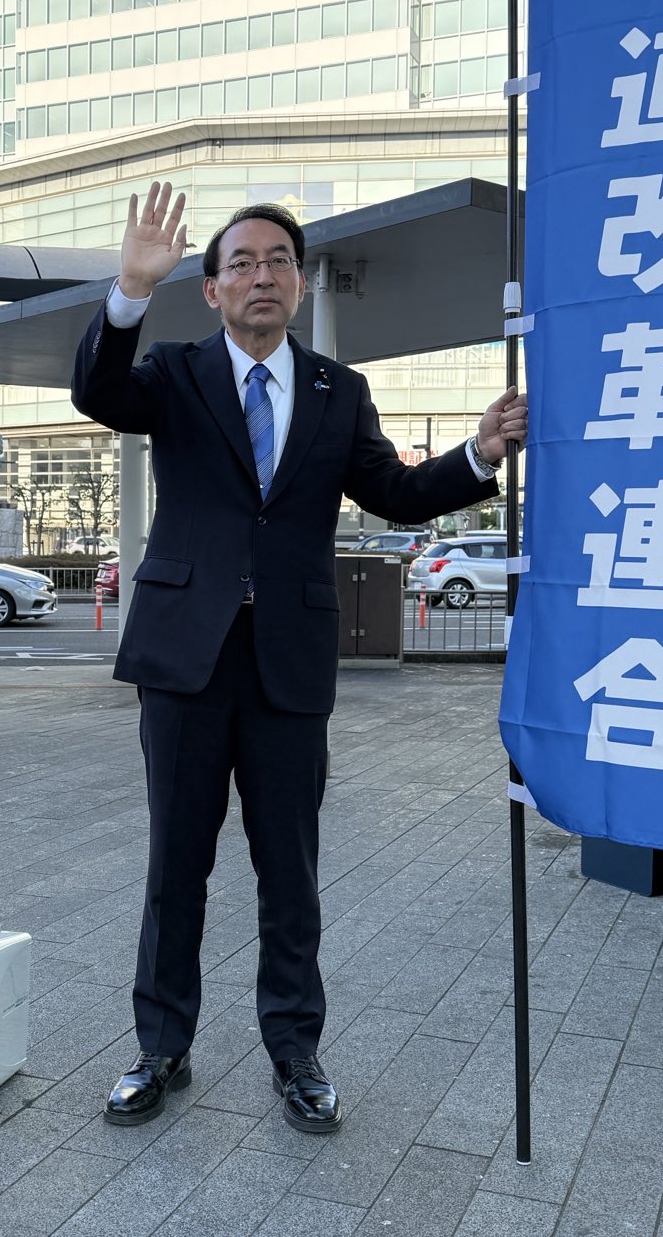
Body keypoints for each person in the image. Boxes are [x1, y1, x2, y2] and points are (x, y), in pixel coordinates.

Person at [72, 186, 527, 1134]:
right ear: (211, 290)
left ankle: (295, 1050)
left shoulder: (337, 390)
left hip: (288, 659)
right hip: (186, 659)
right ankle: (160, 1045)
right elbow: (98, 394)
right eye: (241, 262)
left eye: (278, 260)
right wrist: (126, 291)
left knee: (291, 869)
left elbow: (396, 493)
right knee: (175, 867)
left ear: (301, 280)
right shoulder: (172, 371)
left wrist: (479, 456)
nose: (261, 275)